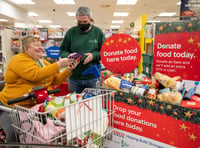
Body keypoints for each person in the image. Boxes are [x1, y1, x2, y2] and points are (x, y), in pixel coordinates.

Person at [0, 35, 79, 143]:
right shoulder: (18, 59)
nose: (40, 48)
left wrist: (68, 70)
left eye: (40, 45)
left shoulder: (42, 61)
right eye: (36, 44)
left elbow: (55, 80)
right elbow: (35, 75)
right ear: (25, 48)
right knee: (13, 137)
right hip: (12, 106)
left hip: (34, 107)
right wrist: (59, 64)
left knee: (37, 134)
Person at [60, 6, 106, 93]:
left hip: (93, 77)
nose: (82, 24)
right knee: (74, 105)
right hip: (74, 78)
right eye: (79, 22)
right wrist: (68, 56)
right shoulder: (71, 32)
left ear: (91, 20)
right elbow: (63, 50)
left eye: (85, 22)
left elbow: (105, 52)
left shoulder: (98, 32)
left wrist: (93, 56)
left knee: (93, 104)